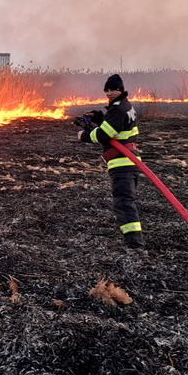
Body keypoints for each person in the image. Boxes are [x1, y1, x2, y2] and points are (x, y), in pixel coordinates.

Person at [77, 73, 144, 249]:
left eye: (112, 89)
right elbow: (116, 125)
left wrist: (84, 135)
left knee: (123, 202)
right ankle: (133, 242)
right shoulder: (124, 106)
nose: (109, 93)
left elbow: (103, 134)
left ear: (120, 89)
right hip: (129, 162)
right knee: (126, 201)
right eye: (106, 90)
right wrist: (100, 117)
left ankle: (134, 246)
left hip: (122, 163)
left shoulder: (118, 109)